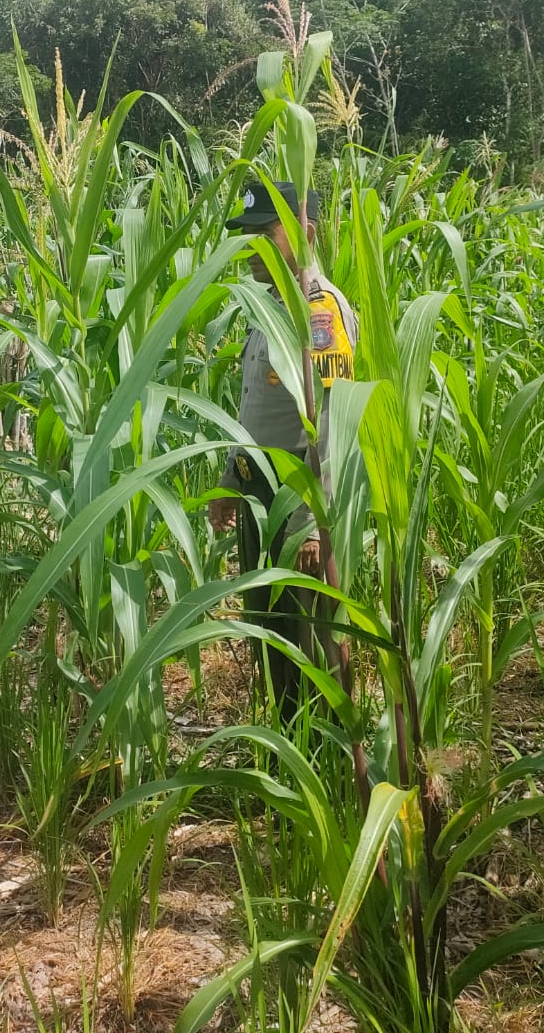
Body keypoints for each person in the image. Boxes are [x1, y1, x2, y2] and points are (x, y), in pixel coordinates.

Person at [207, 180, 358, 722]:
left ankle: (321, 758)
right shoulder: (267, 307)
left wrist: (317, 521)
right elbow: (255, 409)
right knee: (268, 634)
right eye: (247, 238)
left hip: (297, 508)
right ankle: (286, 749)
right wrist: (231, 479)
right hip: (257, 498)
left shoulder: (320, 313)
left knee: (307, 643)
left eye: (263, 235)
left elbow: (337, 421)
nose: (251, 250)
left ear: (304, 233)